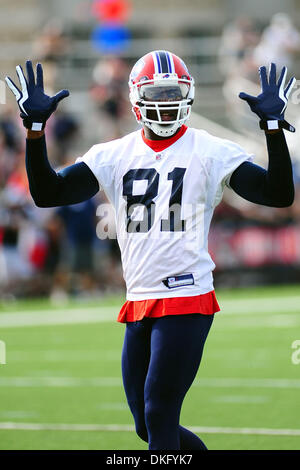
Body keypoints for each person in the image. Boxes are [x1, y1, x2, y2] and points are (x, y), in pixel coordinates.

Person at [5, 51, 295, 450]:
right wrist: (35, 131)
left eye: (173, 92)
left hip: (186, 296)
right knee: (146, 423)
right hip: (140, 298)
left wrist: (273, 130)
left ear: (188, 95)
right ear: (136, 98)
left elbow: (277, 194)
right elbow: (47, 193)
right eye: (157, 93)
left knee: (159, 414)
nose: (165, 102)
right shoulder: (114, 153)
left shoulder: (210, 150)